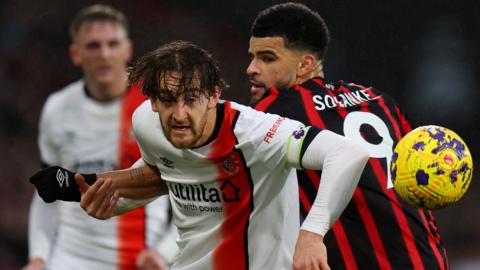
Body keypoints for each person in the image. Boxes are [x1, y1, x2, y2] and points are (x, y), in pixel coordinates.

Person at [30, 40, 370, 270]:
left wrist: (312, 233)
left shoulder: (256, 133)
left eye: (191, 98)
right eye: (166, 99)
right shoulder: (148, 126)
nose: (179, 114)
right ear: (150, 99)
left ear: (214, 95)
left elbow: (348, 152)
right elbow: (163, 176)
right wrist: (105, 199)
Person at [247, 2, 448, 269]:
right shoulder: (379, 101)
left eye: (267, 58)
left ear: (305, 64)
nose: (251, 68)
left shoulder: (274, 111)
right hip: (427, 259)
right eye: (252, 57)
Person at [24, 5, 177, 270]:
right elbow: (46, 193)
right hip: (68, 259)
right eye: (94, 46)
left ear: (127, 49)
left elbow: (192, 186)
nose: (104, 54)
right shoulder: (57, 108)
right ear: (76, 54)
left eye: (113, 44)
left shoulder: (157, 105)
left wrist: (163, 253)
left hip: (138, 261)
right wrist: (38, 257)